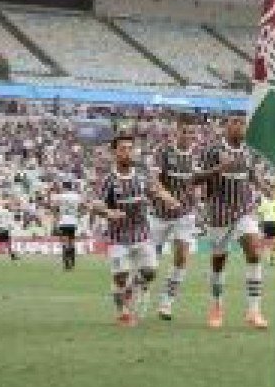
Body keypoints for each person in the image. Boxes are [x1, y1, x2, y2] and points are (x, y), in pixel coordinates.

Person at [90, 130, 172, 326]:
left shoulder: (142, 174)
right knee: (120, 277)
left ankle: (138, 288)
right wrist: (109, 213)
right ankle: (123, 312)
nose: (127, 152)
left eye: (130, 148)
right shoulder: (109, 179)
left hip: (142, 233)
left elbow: (155, 189)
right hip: (118, 236)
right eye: (122, 149)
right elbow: (96, 204)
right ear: (114, 152)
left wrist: (166, 197)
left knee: (150, 271)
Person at [196, 116, 267, 330]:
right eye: (235, 122)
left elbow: (252, 174)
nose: (240, 127)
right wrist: (219, 168)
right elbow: (196, 178)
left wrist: (265, 187)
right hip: (219, 211)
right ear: (227, 127)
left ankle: (254, 311)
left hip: (244, 209)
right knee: (219, 262)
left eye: (243, 123)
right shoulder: (213, 150)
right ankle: (216, 306)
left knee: (254, 252)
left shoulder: (250, 150)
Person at [150, 119, 206, 320]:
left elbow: (197, 181)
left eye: (192, 132)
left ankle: (166, 303)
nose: (189, 136)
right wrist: (167, 197)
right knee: (149, 266)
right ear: (177, 132)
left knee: (181, 257)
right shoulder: (163, 152)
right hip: (160, 214)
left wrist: (198, 197)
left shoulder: (196, 155)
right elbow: (154, 182)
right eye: (185, 132)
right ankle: (139, 295)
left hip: (185, 214)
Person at [51, 179, 86, 271]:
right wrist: (79, 215)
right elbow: (83, 207)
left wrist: (56, 218)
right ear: (71, 186)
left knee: (64, 242)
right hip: (73, 221)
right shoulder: (77, 196)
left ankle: (66, 264)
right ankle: (73, 263)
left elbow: (54, 207)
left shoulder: (59, 196)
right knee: (72, 242)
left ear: (64, 186)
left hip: (63, 221)